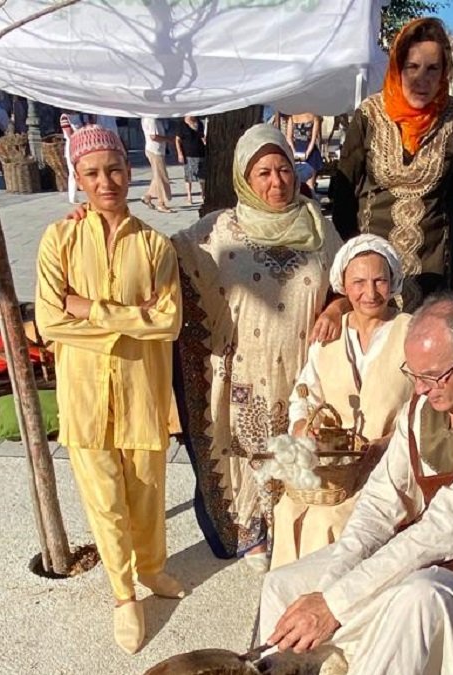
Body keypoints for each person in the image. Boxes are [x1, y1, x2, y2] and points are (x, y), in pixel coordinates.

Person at [260, 299, 453, 675]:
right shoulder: (421, 407)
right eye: (412, 374)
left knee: (415, 598)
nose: (420, 388)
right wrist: (331, 585)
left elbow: (444, 531)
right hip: (426, 549)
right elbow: (381, 501)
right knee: (284, 583)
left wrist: (336, 605)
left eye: (431, 376)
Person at [34, 125, 186, 655]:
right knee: (105, 500)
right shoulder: (61, 239)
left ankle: (152, 568)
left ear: (130, 169)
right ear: (77, 177)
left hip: (142, 391)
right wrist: (127, 317)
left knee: (147, 490)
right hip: (85, 397)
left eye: (115, 169)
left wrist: (88, 309)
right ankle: (124, 595)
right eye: (93, 173)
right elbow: (50, 321)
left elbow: (167, 322)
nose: (107, 182)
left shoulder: (154, 243)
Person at [172, 124, 342, 568]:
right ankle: (251, 530)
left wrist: (336, 310)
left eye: (283, 169)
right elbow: (165, 257)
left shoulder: (318, 226)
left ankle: (288, 523)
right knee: (247, 448)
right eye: (262, 172)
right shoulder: (220, 228)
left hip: (301, 367)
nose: (276, 181)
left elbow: (351, 277)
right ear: (245, 178)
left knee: (294, 446)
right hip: (243, 367)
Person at [272, 235, 415, 570]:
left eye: (380, 280)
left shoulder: (411, 332)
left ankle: (325, 609)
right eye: (359, 282)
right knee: (286, 509)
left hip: (389, 466)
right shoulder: (331, 334)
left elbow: (426, 406)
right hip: (333, 468)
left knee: (327, 522)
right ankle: (284, 603)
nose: (371, 292)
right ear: (344, 287)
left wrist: (388, 444)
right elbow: (305, 394)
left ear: (393, 282)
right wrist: (302, 426)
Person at [329, 17, 453, 311]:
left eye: (432, 69)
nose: (421, 80)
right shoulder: (369, 115)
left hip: (432, 267)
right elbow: (343, 189)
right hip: (372, 269)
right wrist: (355, 252)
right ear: (397, 68)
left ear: (444, 73)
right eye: (412, 67)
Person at [172, 115, 207, 206]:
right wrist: (180, 154)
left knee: (202, 176)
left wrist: (205, 141)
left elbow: (201, 136)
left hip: (200, 152)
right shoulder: (182, 125)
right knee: (189, 176)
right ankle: (189, 196)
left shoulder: (199, 123)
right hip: (188, 153)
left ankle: (203, 194)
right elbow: (177, 140)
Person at [140, 116, 172, 212]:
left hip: (157, 150)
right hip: (155, 150)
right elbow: (153, 136)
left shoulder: (152, 119)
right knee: (162, 177)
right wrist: (169, 139)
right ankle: (161, 203)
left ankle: (147, 196)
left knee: (157, 176)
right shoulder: (151, 119)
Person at [285, 113, 324, 192]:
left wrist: (293, 152)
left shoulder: (292, 116)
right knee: (310, 185)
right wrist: (307, 153)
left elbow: (289, 138)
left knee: (296, 184)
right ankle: (311, 202)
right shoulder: (315, 116)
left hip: (297, 149)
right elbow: (314, 139)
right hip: (310, 151)